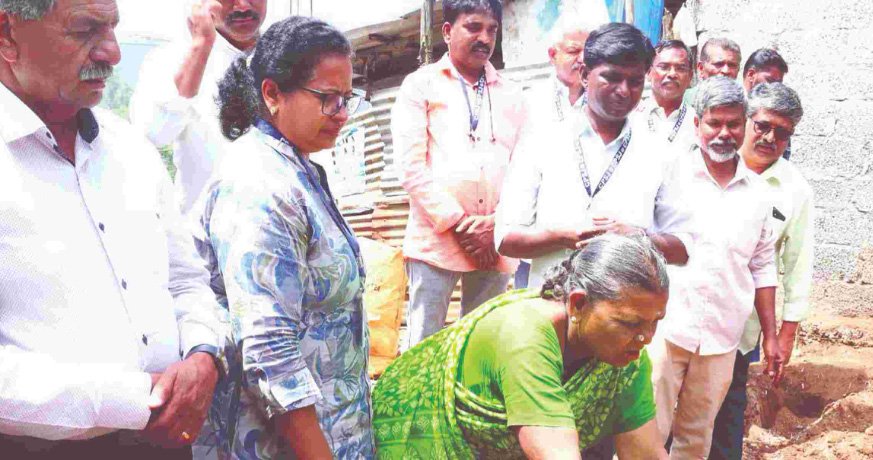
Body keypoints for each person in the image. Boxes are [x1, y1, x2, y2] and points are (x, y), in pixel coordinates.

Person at [0, 0, 224, 458]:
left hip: (167, 441)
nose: (112, 53)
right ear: (6, 33)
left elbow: (185, 279)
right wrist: (132, 400)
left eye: (112, 29)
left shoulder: (131, 151)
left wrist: (203, 353)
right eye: (85, 30)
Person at [192, 16, 373, 459]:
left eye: (347, 98)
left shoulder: (298, 167)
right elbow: (270, 352)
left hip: (334, 427)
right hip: (287, 443)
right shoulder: (259, 186)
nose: (342, 114)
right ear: (272, 94)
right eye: (328, 99)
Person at [373, 234, 670, 459]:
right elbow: (556, 453)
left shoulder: (625, 360)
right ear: (579, 303)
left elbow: (645, 453)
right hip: (418, 433)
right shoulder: (525, 335)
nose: (647, 337)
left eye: (655, 321)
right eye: (630, 323)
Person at [497, 22, 692, 290]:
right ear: (586, 75)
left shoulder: (660, 149)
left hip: (625, 314)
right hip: (551, 308)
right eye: (611, 78)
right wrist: (561, 237)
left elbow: (683, 247)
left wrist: (637, 238)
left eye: (635, 81)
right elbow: (505, 238)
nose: (624, 90)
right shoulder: (542, 139)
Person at [648, 76, 784, 459]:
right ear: (697, 124)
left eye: (733, 124)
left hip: (723, 336)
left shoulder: (758, 193)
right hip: (664, 328)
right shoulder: (668, 176)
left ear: (745, 125)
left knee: (696, 437)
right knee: (647, 430)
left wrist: (771, 335)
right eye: (714, 123)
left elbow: (763, 264)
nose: (724, 133)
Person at [392, 0, 526, 347]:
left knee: (481, 344)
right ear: (448, 32)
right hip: (438, 238)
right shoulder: (420, 85)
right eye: (474, 27)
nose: (484, 38)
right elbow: (410, 167)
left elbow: (524, 170)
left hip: (493, 241)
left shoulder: (512, 94)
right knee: (423, 343)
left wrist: (495, 225)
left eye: (492, 30)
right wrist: (461, 225)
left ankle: (469, 404)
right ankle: (418, 403)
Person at [710, 82, 813, 460]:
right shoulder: (708, 163)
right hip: (685, 316)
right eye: (763, 126)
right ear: (746, 120)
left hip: (742, 327)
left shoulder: (794, 190)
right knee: (669, 408)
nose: (770, 137)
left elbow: (797, 265)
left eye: (782, 133)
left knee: (727, 411)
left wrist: (784, 335)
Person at [130, 0, 267, 215]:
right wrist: (201, 47)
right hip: (206, 236)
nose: (242, 6)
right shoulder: (172, 59)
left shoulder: (292, 54)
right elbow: (155, 134)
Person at [632, 40, 696, 152]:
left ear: (690, 76)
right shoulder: (631, 117)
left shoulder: (698, 122)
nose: (672, 74)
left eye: (680, 68)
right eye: (664, 67)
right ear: (648, 72)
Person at [741, 48, 791, 159]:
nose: (775, 88)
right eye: (770, 81)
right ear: (751, 75)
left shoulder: (777, 110)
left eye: (778, 84)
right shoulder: (728, 106)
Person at [682, 37, 741, 105]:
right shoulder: (682, 102)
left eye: (732, 65)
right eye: (719, 64)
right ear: (701, 68)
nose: (726, 71)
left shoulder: (745, 105)